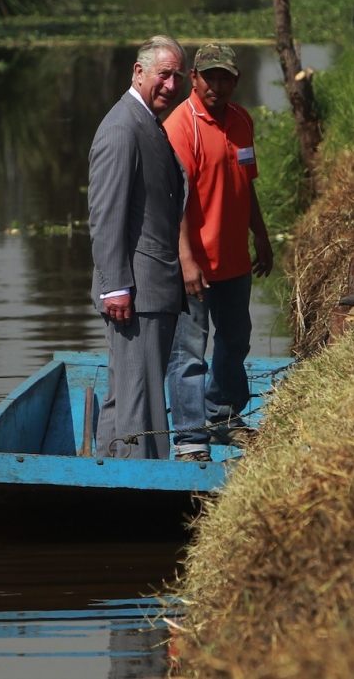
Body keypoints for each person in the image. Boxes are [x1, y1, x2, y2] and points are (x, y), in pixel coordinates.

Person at [164, 42, 274, 462]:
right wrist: (187, 260)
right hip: (194, 263)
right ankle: (191, 439)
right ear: (193, 78)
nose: (217, 84)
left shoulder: (243, 120)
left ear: (236, 80)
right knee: (189, 353)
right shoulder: (182, 125)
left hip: (234, 261)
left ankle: (224, 416)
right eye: (209, 76)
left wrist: (260, 235)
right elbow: (174, 202)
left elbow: (247, 186)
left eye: (225, 76)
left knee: (236, 339)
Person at [88, 35, 188, 459]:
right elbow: (105, 215)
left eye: (178, 77)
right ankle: (138, 492)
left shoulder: (146, 121)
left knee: (124, 395)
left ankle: (105, 479)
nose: (171, 85)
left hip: (151, 287)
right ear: (139, 71)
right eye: (164, 75)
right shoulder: (121, 128)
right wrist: (115, 287)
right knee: (139, 403)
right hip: (136, 291)